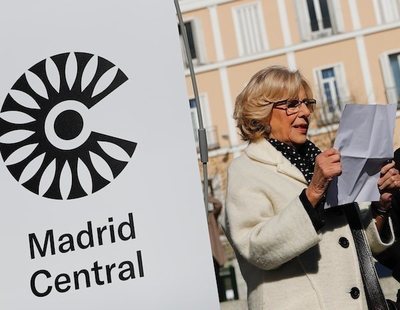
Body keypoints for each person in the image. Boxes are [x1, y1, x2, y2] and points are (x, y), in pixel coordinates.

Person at [223, 65, 399, 309]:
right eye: (293, 104)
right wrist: (313, 192)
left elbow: (358, 246)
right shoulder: (246, 170)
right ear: (262, 111)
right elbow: (256, 249)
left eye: (308, 103)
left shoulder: (320, 159)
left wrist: (380, 207)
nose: (305, 112)